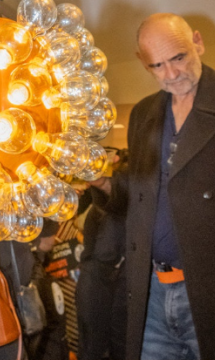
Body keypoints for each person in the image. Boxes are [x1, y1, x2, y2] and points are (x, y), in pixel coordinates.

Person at [95, 14, 215, 360]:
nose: (172, 74)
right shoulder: (144, 113)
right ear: (143, 64)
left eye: (179, 58)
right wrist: (101, 182)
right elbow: (137, 198)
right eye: (158, 66)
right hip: (153, 291)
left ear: (198, 42)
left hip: (212, 289)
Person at [76, 151, 128, 360]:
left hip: (113, 277)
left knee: (113, 343)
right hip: (99, 276)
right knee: (96, 345)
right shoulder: (96, 197)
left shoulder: (119, 190)